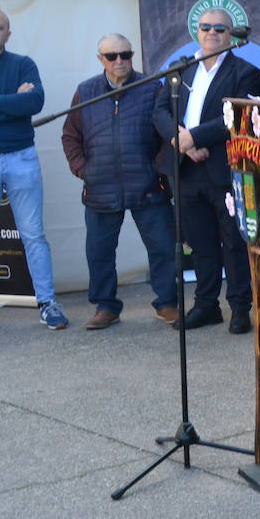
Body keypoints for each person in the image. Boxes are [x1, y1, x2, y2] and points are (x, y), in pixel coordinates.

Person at [152, 7, 260, 333]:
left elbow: (236, 116)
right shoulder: (180, 69)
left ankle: (240, 307)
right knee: (200, 243)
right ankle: (206, 304)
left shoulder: (245, 70)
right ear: (196, 32)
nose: (212, 33)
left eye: (220, 29)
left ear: (231, 35)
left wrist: (193, 137)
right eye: (206, 27)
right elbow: (159, 110)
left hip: (226, 167)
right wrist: (179, 140)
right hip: (186, 168)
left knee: (233, 241)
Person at [60, 33, 178, 329]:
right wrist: (83, 170)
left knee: (162, 247)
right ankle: (106, 307)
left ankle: (166, 303)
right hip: (100, 187)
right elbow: (70, 135)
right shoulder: (86, 91)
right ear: (100, 59)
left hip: (148, 185)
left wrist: (158, 168)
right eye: (112, 56)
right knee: (99, 252)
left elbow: (169, 132)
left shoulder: (152, 87)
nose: (120, 61)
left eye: (126, 54)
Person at [0, 7, 67, 330]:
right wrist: (11, 101)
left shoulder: (24, 64)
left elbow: (34, 102)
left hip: (21, 156)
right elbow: (20, 104)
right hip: (17, 150)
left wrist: (16, 102)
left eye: (0, 28)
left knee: (33, 235)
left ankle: (48, 302)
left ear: (8, 34)